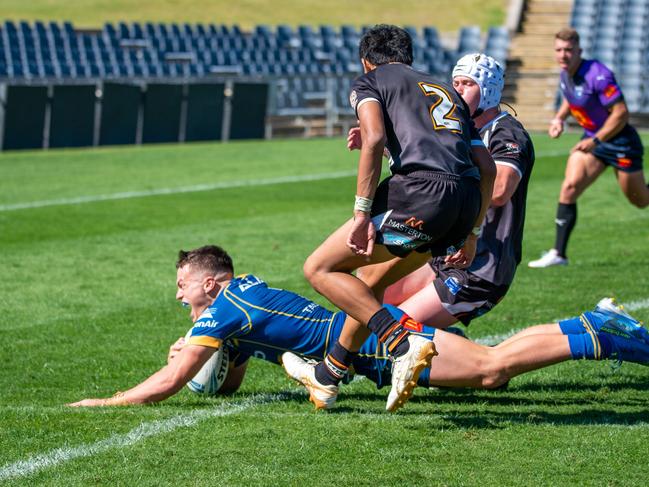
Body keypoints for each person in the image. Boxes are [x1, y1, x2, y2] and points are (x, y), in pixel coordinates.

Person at [69, 244, 649, 408]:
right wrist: (220, 358)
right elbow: (227, 382)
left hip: (373, 344)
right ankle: (589, 327)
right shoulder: (237, 303)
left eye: (184, 283)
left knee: (493, 372)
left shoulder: (224, 311)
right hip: (362, 338)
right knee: (489, 364)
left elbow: (172, 384)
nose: (177, 293)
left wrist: (110, 400)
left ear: (213, 282)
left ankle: (596, 332)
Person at [288, 25, 496, 413]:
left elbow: (374, 139)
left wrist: (361, 213)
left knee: (319, 269)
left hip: (418, 194)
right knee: (371, 282)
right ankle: (328, 376)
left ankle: (401, 343)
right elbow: (485, 166)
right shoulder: (445, 89)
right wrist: (471, 233)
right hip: (463, 204)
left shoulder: (370, 80)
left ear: (367, 60)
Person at [350, 53, 535, 329]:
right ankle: (342, 361)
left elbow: (499, 190)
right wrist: (384, 145)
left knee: (394, 330)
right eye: (455, 82)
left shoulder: (506, 133)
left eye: (467, 84)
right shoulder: (458, 130)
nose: (457, 90)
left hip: (480, 267)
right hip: (442, 256)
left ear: (488, 91)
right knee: (367, 299)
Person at [529, 27, 649, 268]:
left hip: (619, 142)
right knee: (569, 187)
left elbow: (621, 113)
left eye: (569, 50)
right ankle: (559, 254)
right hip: (594, 142)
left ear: (579, 51)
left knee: (640, 200)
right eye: (559, 50)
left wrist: (595, 141)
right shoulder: (566, 73)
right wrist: (559, 119)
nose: (563, 55)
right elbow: (570, 97)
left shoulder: (598, 74)